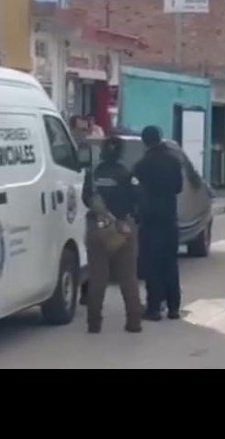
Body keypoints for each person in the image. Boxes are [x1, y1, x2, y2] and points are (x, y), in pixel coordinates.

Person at [81, 135, 143, 334]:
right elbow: (138, 198)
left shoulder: (93, 174)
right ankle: (134, 322)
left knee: (97, 279)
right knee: (128, 278)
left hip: (98, 227)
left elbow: (86, 198)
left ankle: (94, 324)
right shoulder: (127, 174)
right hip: (122, 228)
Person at [133, 126, 184, 321]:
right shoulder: (173, 161)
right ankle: (174, 307)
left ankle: (154, 308)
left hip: (150, 221)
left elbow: (135, 190)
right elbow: (178, 188)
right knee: (170, 263)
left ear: (144, 142)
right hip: (169, 219)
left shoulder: (142, 165)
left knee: (152, 265)